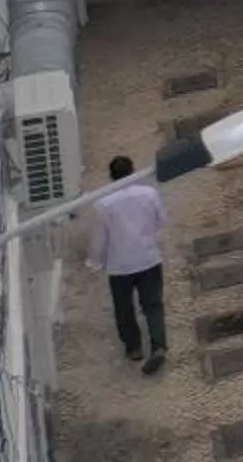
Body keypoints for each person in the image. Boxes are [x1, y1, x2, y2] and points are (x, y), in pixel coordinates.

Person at [87, 156, 167, 374]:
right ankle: (158, 345)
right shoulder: (149, 194)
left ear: (111, 176)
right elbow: (161, 220)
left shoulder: (104, 204)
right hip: (149, 258)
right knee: (152, 305)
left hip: (120, 266)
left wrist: (94, 262)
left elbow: (100, 239)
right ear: (133, 171)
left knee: (124, 309)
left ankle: (134, 348)